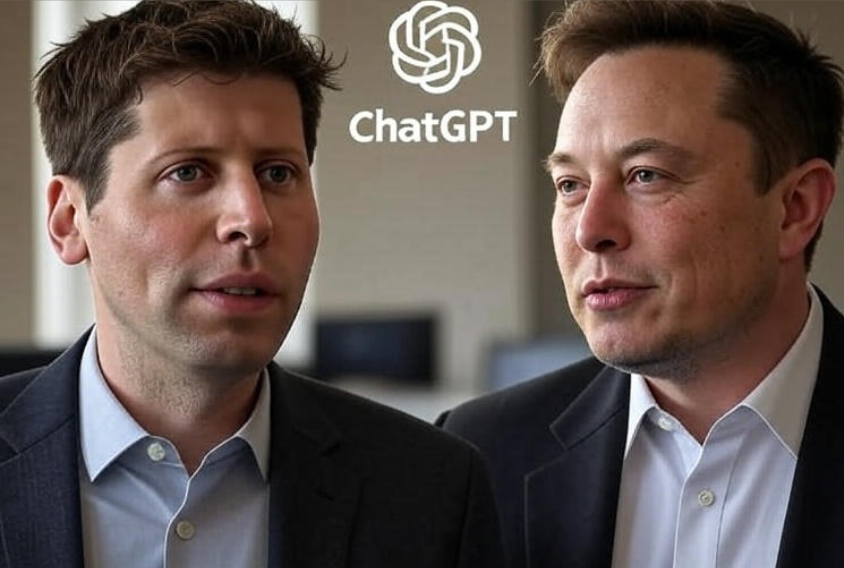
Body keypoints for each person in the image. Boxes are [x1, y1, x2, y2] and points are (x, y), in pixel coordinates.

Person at [0, 2, 504, 566]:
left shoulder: (433, 491)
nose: (253, 218)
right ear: (70, 220)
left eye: (278, 173)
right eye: (188, 172)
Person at [440, 1, 844, 567]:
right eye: (570, 185)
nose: (590, 230)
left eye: (645, 175)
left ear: (795, 208)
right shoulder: (478, 452)